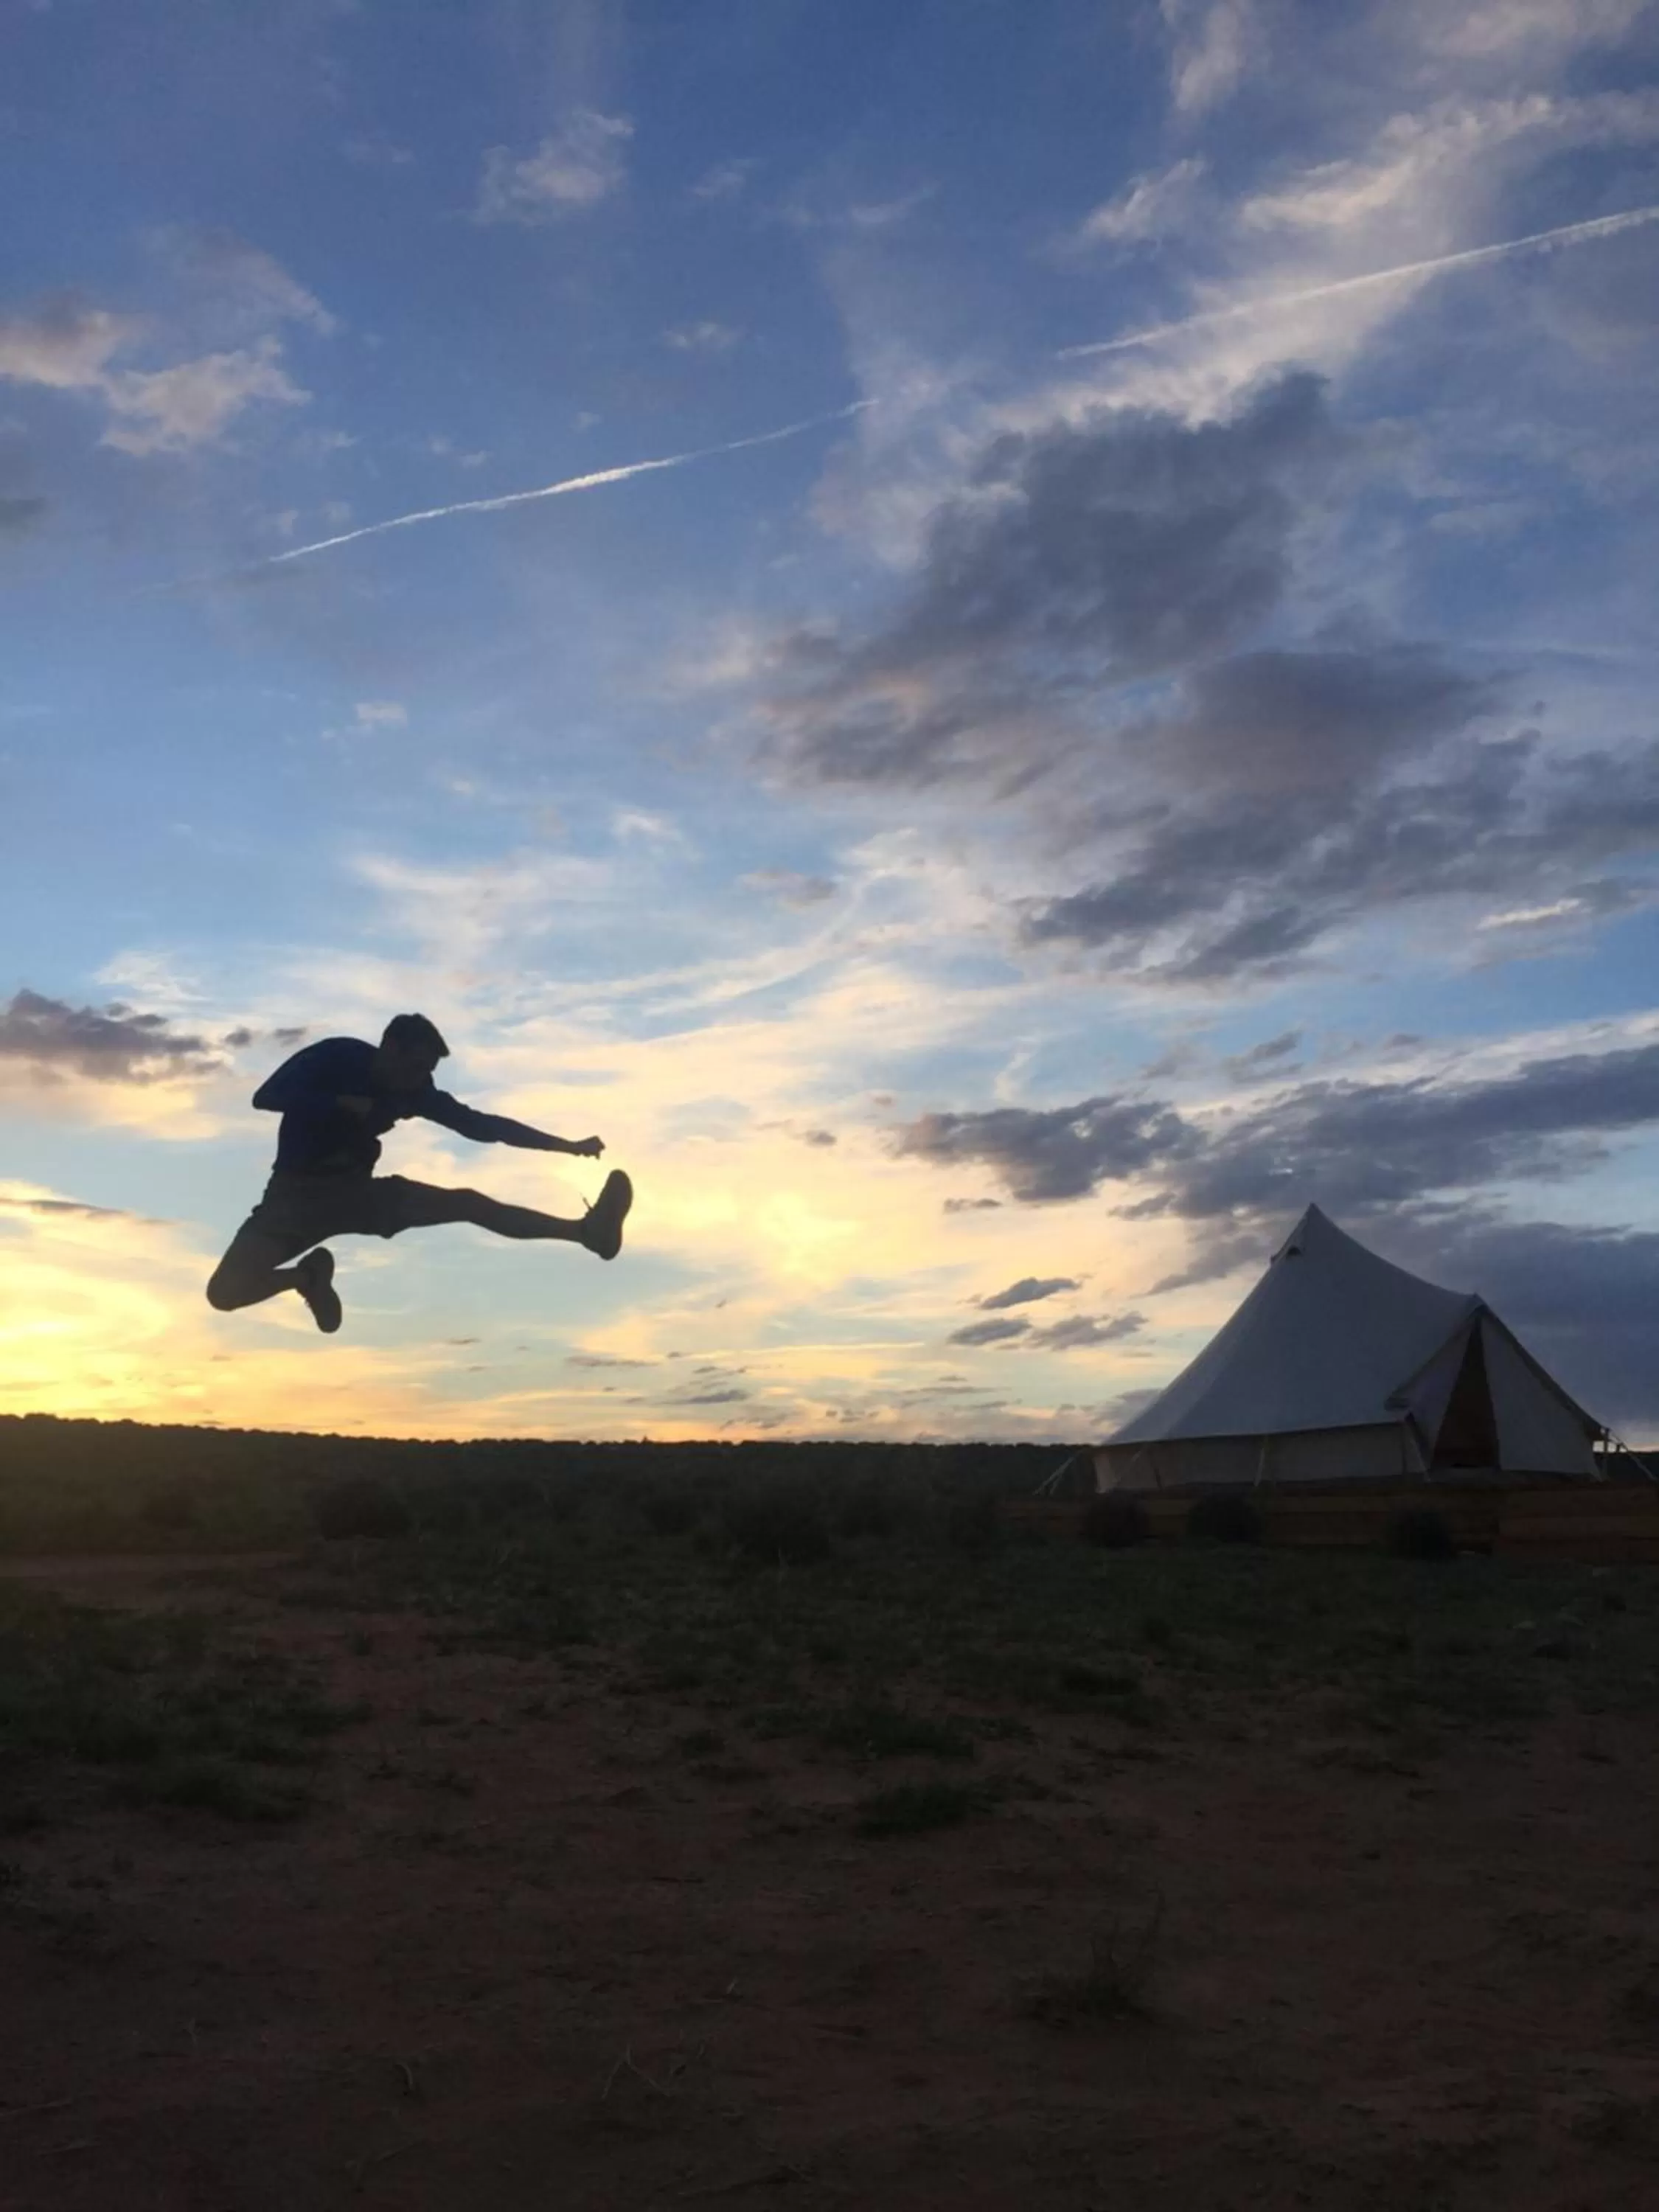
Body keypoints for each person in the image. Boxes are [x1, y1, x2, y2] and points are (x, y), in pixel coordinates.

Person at [206, 1012, 631, 1334]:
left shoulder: (415, 1091)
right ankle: (308, 1277)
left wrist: (568, 1146)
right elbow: (266, 1097)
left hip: (358, 1196)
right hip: (291, 1202)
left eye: (428, 1071)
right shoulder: (336, 1057)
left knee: (467, 1203)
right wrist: (339, 1103)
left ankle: (586, 1232)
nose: (421, 1078)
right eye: (415, 1066)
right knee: (224, 1294)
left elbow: (484, 1127)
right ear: (390, 1047)